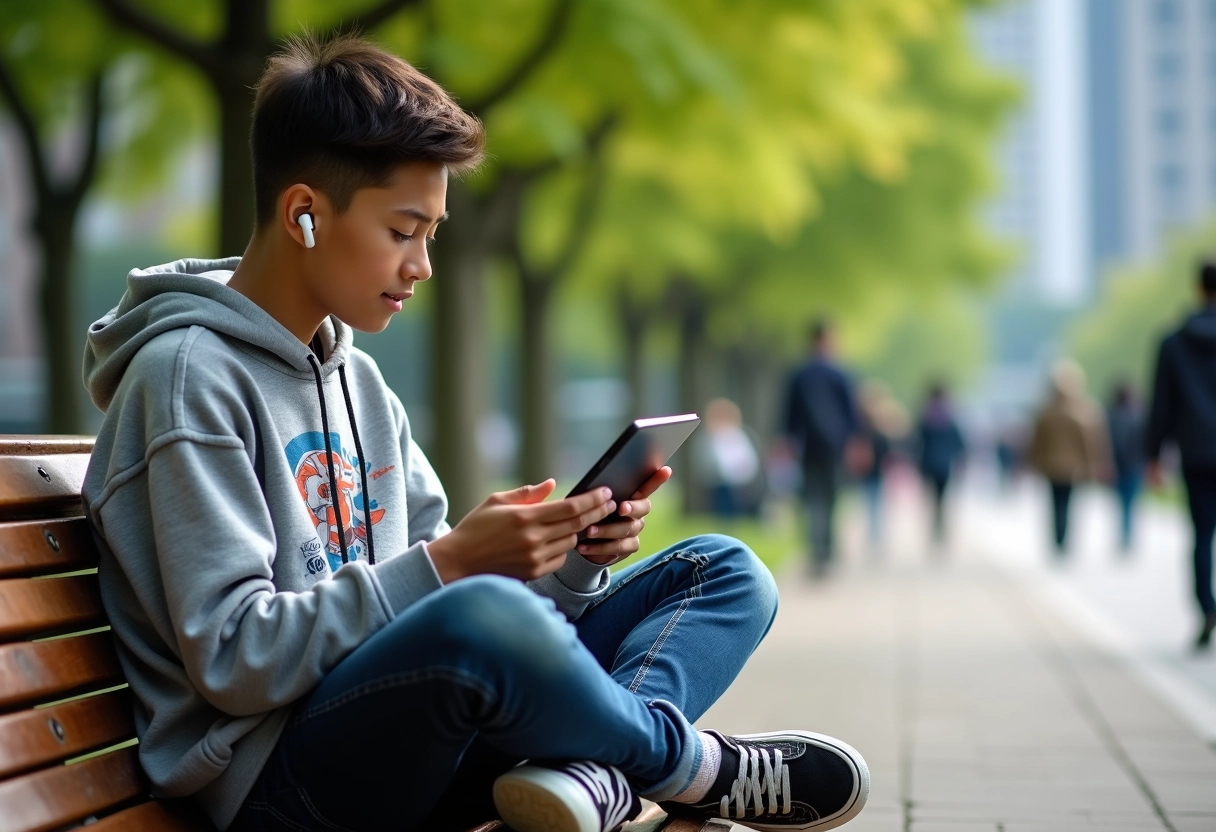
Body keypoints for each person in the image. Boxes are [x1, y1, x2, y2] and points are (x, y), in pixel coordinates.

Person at [79, 35, 869, 832]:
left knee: (722, 570)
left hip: (414, 739)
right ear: (305, 214)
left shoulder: (360, 383)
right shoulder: (185, 379)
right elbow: (234, 658)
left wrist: (568, 563)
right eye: (403, 231)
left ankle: (597, 778)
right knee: (483, 617)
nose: (422, 265)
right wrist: (457, 562)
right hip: (282, 787)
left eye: (433, 233)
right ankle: (683, 767)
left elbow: (441, 602)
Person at [1146, 259, 1216, 650]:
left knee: (1202, 533)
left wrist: (1154, 456)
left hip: (1196, 451)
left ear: (1198, 288)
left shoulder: (1173, 343)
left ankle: (1207, 606)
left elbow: (1161, 405)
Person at [781, 319, 868, 577]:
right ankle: (826, 551)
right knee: (830, 500)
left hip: (808, 446)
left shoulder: (799, 374)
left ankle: (816, 549)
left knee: (811, 499)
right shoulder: (840, 373)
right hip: (834, 447)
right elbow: (851, 415)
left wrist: (786, 440)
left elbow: (789, 414)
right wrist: (857, 444)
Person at [1027, 360, 1110, 555]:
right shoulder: (1084, 411)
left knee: (1056, 504)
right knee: (1067, 504)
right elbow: (1091, 443)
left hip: (1051, 466)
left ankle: (1058, 538)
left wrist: (1033, 462)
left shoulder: (1045, 412)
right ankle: (1063, 539)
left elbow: (1036, 442)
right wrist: (1094, 465)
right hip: (1073, 467)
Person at [916, 383, 966, 545]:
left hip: (928, 463)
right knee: (942, 498)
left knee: (932, 498)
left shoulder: (924, 416)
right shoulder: (950, 416)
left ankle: (935, 527)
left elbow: (916, 442)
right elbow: (959, 443)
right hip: (945, 464)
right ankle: (940, 527)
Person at [698, 398, 764, 518]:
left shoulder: (737, 437)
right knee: (721, 509)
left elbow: (746, 459)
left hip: (737, 481)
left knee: (734, 509)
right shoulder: (709, 439)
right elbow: (706, 461)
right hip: (717, 482)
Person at [1106, 381, 1146, 552]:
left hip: (1120, 466)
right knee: (1130, 502)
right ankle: (1127, 534)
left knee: (1123, 503)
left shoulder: (1111, 415)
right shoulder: (1139, 415)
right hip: (1134, 466)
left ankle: (1125, 534)